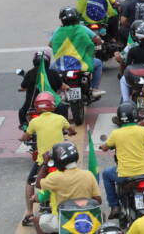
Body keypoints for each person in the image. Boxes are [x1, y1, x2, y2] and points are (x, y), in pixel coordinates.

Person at [20, 92, 76, 228]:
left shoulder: (34, 121)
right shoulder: (60, 118)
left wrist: (23, 138)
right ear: (53, 105)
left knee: (30, 182)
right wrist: (71, 131)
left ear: (37, 107)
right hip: (61, 160)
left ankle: (29, 212)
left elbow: (26, 136)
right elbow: (71, 129)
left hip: (43, 162)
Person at [100, 101, 144, 219]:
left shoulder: (115, 134)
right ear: (135, 115)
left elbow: (105, 148)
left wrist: (103, 146)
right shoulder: (143, 130)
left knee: (106, 174)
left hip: (125, 175)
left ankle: (115, 206)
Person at [34, 142, 101, 234]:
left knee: (36, 220)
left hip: (64, 220)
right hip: (87, 219)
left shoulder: (55, 177)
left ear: (58, 161)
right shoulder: (88, 174)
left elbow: (38, 184)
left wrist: (45, 163)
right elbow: (98, 200)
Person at [50, 6, 105, 97]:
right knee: (98, 63)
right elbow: (97, 39)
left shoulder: (58, 31)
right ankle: (94, 88)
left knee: (51, 69)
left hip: (62, 64)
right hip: (81, 63)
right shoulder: (81, 28)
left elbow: (51, 44)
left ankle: (57, 91)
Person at [18, 52, 68, 127]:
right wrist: (68, 87)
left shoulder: (30, 73)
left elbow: (23, 87)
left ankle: (24, 127)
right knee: (63, 108)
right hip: (51, 104)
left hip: (32, 104)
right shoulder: (53, 73)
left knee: (22, 112)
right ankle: (64, 127)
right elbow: (61, 86)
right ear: (48, 62)